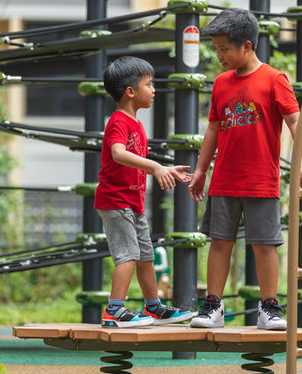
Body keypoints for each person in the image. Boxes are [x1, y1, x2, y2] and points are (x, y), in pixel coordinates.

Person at [187, 8, 302, 330]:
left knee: (265, 244)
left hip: (261, 180)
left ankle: (269, 307)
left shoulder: (274, 79)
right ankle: (213, 305)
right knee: (219, 242)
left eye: (224, 49)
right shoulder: (221, 83)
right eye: (216, 49)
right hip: (224, 179)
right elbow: (213, 129)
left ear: (247, 45)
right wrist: (201, 170)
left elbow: (295, 120)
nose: (220, 56)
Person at [96, 56, 194, 328]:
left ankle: (153, 307)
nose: (153, 90)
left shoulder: (136, 124)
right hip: (116, 202)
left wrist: (165, 169)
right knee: (127, 256)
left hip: (133, 204)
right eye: (149, 84)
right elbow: (118, 153)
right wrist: (155, 166)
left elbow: (135, 161)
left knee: (145, 257)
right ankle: (114, 311)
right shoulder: (118, 121)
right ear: (130, 92)